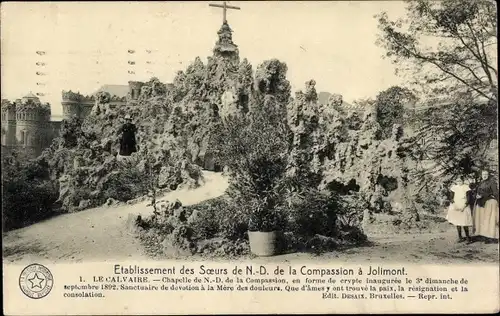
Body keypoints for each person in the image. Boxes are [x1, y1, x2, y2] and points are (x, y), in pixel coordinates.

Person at [473, 170, 499, 244]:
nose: (484, 176)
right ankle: (485, 235)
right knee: (483, 220)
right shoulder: (481, 183)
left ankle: (491, 237)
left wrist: (483, 195)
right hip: (481, 203)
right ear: (481, 175)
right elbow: (477, 192)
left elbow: (495, 193)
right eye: (483, 174)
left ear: (488, 175)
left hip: (490, 202)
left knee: (490, 219)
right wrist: (477, 195)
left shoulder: (492, 182)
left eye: (486, 174)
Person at [446, 177, 474, 243]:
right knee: (457, 222)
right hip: (456, 206)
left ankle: (467, 237)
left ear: (463, 181)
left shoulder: (466, 187)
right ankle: (460, 237)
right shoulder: (454, 188)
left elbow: (468, 198)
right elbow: (451, 198)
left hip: (464, 206)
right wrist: (454, 205)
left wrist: (464, 206)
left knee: (464, 222)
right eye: (458, 181)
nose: (459, 182)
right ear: (456, 181)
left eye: (460, 181)